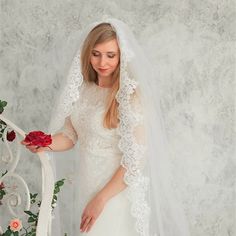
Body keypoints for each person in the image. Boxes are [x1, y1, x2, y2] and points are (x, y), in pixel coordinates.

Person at [21, 18, 190, 236]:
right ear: (87, 53)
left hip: (114, 193)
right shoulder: (83, 91)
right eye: (96, 53)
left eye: (111, 55)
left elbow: (135, 161)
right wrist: (44, 143)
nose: (103, 62)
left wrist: (100, 200)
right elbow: (71, 135)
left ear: (121, 56)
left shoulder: (129, 98)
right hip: (88, 186)